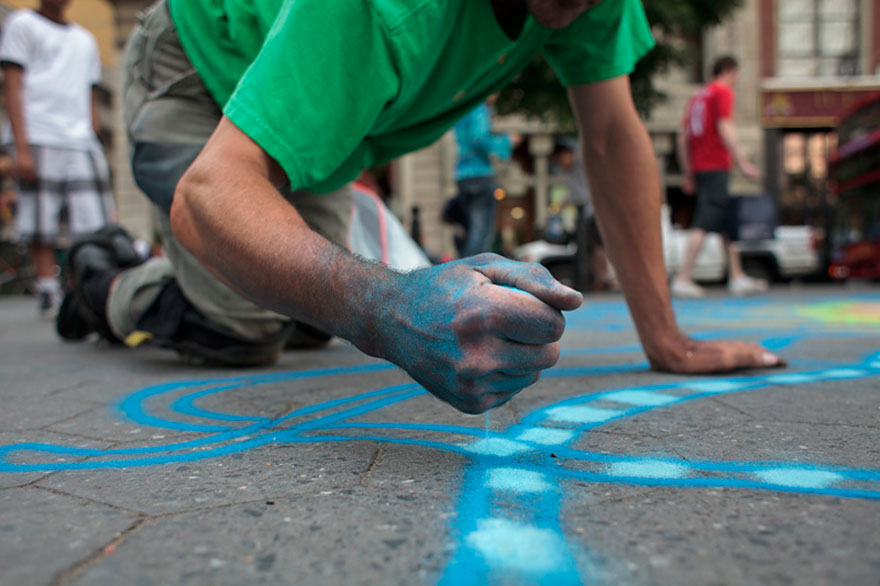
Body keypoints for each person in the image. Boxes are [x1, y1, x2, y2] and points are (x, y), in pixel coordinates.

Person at [58, 0, 785, 415]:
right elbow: (211, 193)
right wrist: (388, 309)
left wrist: (667, 340)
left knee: (306, 315)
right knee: (243, 326)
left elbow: (612, 132)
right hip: (201, 62)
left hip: (319, 122)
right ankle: (105, 279)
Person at [0, 0, 116, 317]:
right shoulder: (23, 25)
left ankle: (86, 288)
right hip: (38, 132)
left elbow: (91, 93)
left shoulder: (85, 40)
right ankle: (47, 290)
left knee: (93, 221)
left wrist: (93, 136)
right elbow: (12, 83)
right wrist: (20, 146)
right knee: (41, 219)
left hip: (80, 140)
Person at [672, 55, 767, 298]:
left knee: (726, 222)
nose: (737, 80)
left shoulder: (697, 97)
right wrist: (743, 162)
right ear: (727, 71)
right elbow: (725, 127)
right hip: (715, 165)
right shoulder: (721, 92)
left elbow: (682, 136)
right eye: (736, 74)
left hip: (701, 167)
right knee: (704, 220)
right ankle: (683, 277)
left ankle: (736, 275)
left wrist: (687, 171)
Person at [452, 96, 518, 257]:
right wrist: (507, 141)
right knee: (481, 234)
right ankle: (471, 274)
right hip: (480, 175)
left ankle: (464, 272)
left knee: (471, 230)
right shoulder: (479, 109)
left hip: (463, 175)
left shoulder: (463, 109)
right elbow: (479, 139)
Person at [552, 140, 616, 292]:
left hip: (596, 211)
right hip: (586, 214)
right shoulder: (572, 171)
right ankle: (602, 277)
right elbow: (576, 194)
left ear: (567, 154)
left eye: (560, 159)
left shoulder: (582, 162)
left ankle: (607, 277)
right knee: (590, 247)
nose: (560, 164)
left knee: (597, 245)